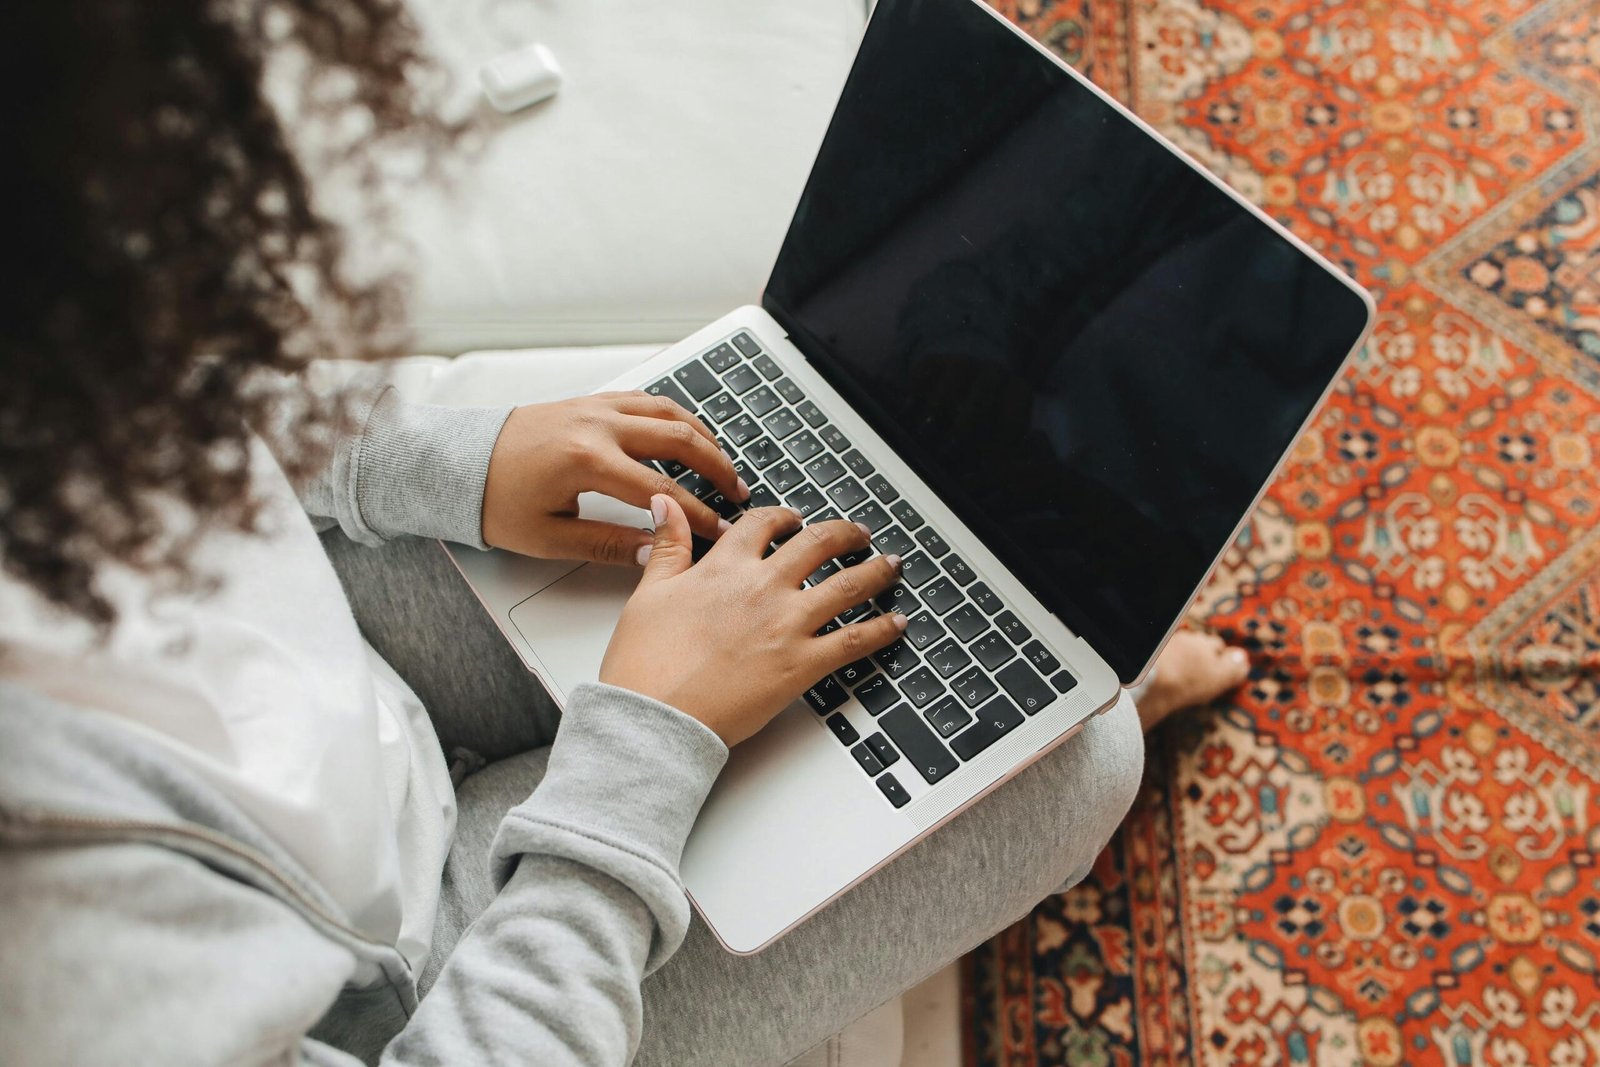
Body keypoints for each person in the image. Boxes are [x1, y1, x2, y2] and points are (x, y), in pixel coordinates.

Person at [0, 3, 1247, 1064]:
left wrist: (425, 462)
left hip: (342, 650)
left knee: (781, 488)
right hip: (438, 967)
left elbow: (157, 413)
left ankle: (1050, 680)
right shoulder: (59, 979)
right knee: (1080, 763)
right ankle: (1087, 717)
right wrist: (648, 746)